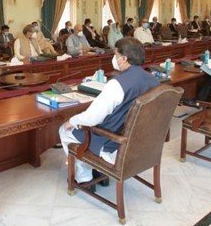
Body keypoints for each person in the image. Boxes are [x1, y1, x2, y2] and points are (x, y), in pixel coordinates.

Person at [59, 38, 159, 186]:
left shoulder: (117, 84)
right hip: (137, 142)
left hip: (112, 144)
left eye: (116, 55)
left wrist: (71, 121)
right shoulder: (154, 81)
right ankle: (98, 170)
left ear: (124, 59)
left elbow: (92, 118)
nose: (114, 59)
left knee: (64, 129)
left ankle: (84, 177)